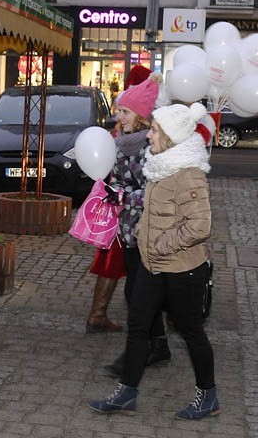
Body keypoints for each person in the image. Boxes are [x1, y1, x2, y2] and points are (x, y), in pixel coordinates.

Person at [86, 102, 219, 420]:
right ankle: (126, 393)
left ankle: (208, 396)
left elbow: (200, 226)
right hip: (151, 265)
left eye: (156, 130)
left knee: (191, 332)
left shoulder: (188, 174)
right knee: (138, 327)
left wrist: (161, 244)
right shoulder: (159, 165)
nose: (150, 135)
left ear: (171, 136)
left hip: (183, 270)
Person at [96, 77, 172, 372]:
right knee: (136, 293)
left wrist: (121, 196)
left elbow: (155, 191)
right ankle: (159, 345)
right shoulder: (122, 145)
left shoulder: (149, 147)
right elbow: (116, 181)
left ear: (140, 116)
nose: (118, 116)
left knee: (137, 295)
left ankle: (139, 354)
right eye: (119, 110)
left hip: (147, 232)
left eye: (125, 112)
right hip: (126, 232)